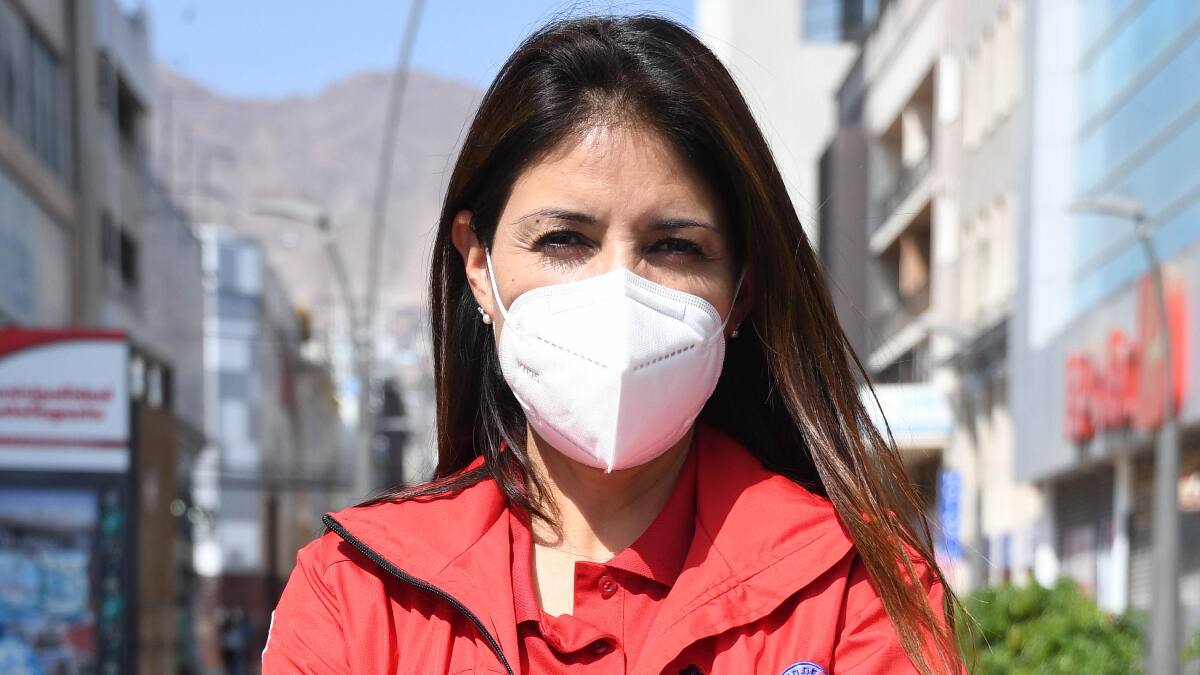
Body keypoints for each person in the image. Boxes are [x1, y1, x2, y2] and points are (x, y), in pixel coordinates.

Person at [263, 13, 962, 675]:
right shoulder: (358, 594)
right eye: (564, 240)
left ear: (742, 288)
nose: (619, 292)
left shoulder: (852, 590)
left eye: (674, 246)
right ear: (479, 266)